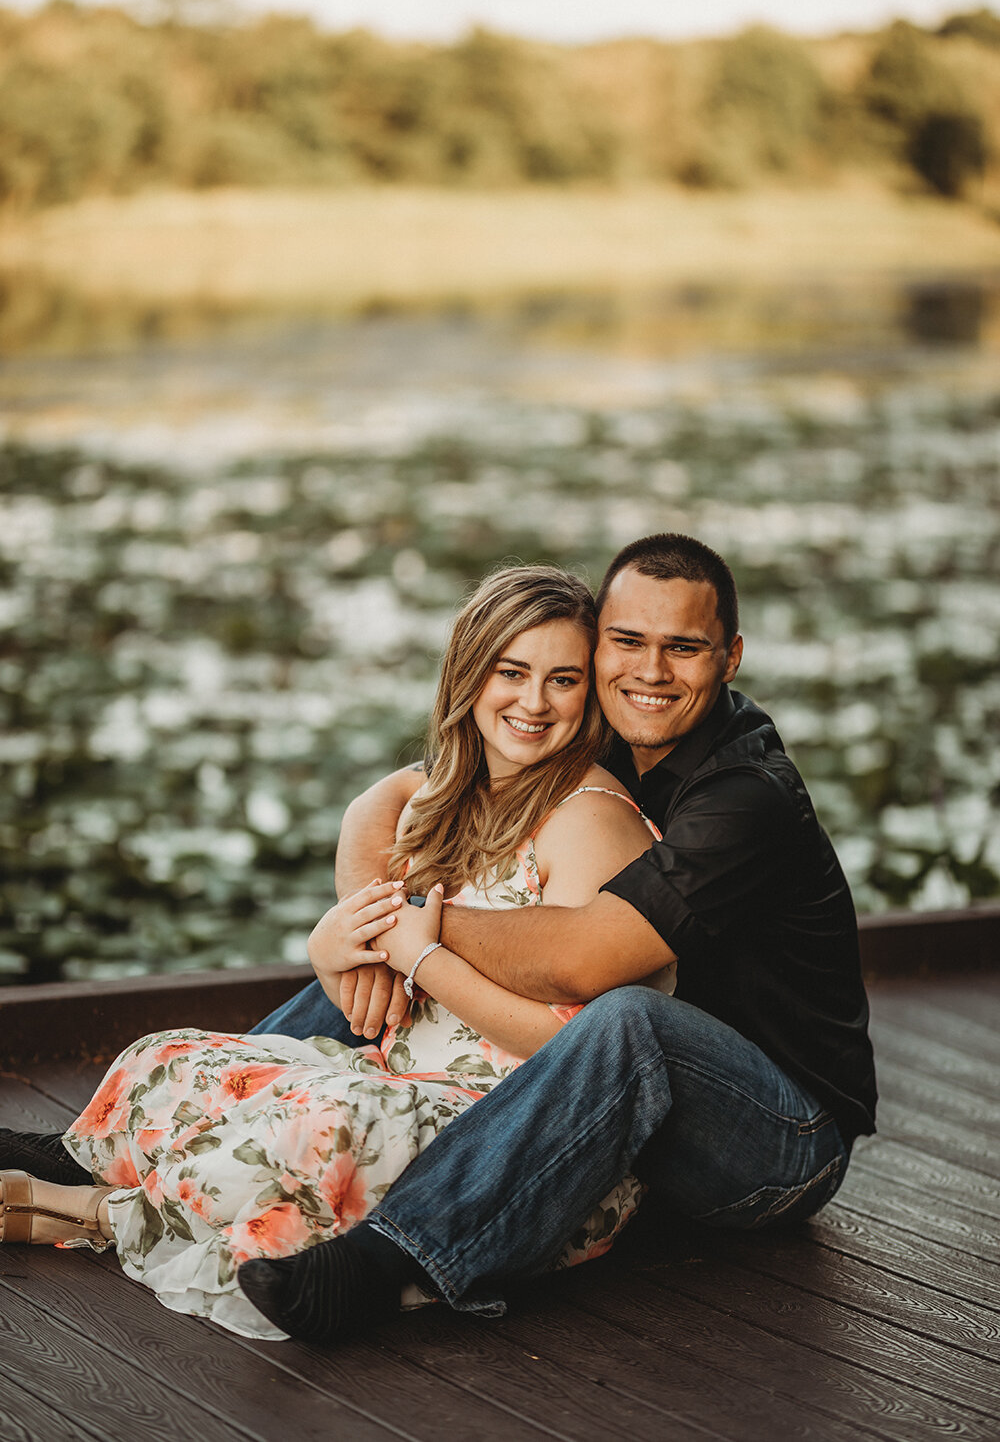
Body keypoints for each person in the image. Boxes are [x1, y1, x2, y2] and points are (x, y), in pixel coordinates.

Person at [224, 531, 877, 1344]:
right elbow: (389, 796)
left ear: (731, 657)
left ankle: (383, 1267)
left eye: (684, 648)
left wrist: (407, 926)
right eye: (628, 642)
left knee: (629, 1017)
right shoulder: (593, 722)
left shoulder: (747, 798)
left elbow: (580, 961)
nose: (650, 671)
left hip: (778, 1140)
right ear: (598, 643)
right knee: (390, 953)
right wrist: (364, 923)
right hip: (635, 1103)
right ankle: (180, 1114)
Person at [0, 567, 661, 1339]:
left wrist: (423, 959)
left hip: (515, 1145)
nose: (534, 701)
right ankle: (97, 1190)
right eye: (510, 672)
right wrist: (331, 947)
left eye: (563, 679)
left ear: (591, 694)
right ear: (468, 674)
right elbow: (377, 881)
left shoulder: (588, 818)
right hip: (405, 1079)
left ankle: (88, 1209)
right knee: (170, 1057)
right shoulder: (454, 797)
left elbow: (581, 1057)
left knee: (324, 1124)